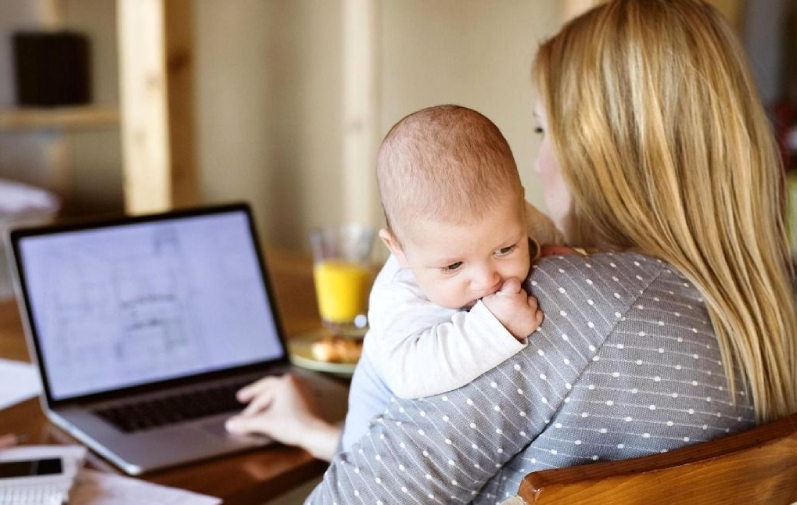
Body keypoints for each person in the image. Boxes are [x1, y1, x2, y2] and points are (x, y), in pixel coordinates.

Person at [228, 0, 797, 502]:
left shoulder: (559, 307)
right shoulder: (771, 307)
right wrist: (316, 434)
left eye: (543, 133)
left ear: (603, 155)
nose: (540, 164)